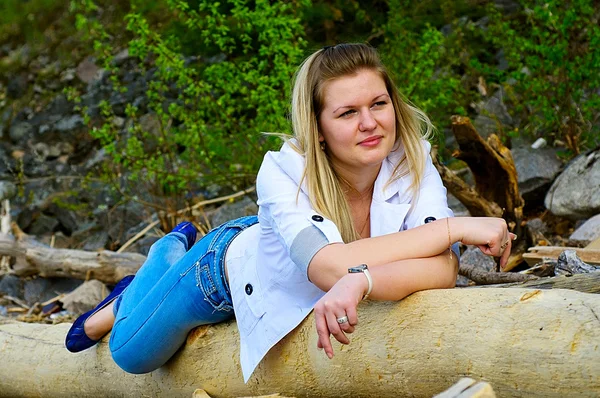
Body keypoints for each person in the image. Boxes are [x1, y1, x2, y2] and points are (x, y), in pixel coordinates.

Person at [65, 43, 515, 383]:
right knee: (131, 355)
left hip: (287, 273)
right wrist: (455, 227)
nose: (369, 123)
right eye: (347, 112)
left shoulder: (413, 161)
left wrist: (363, 281)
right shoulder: (283, 170)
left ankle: (155, 281)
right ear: (317, 128)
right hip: (221, 272)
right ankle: (155, 268)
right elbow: (328, 267)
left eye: (378, 104)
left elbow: (441, 268)